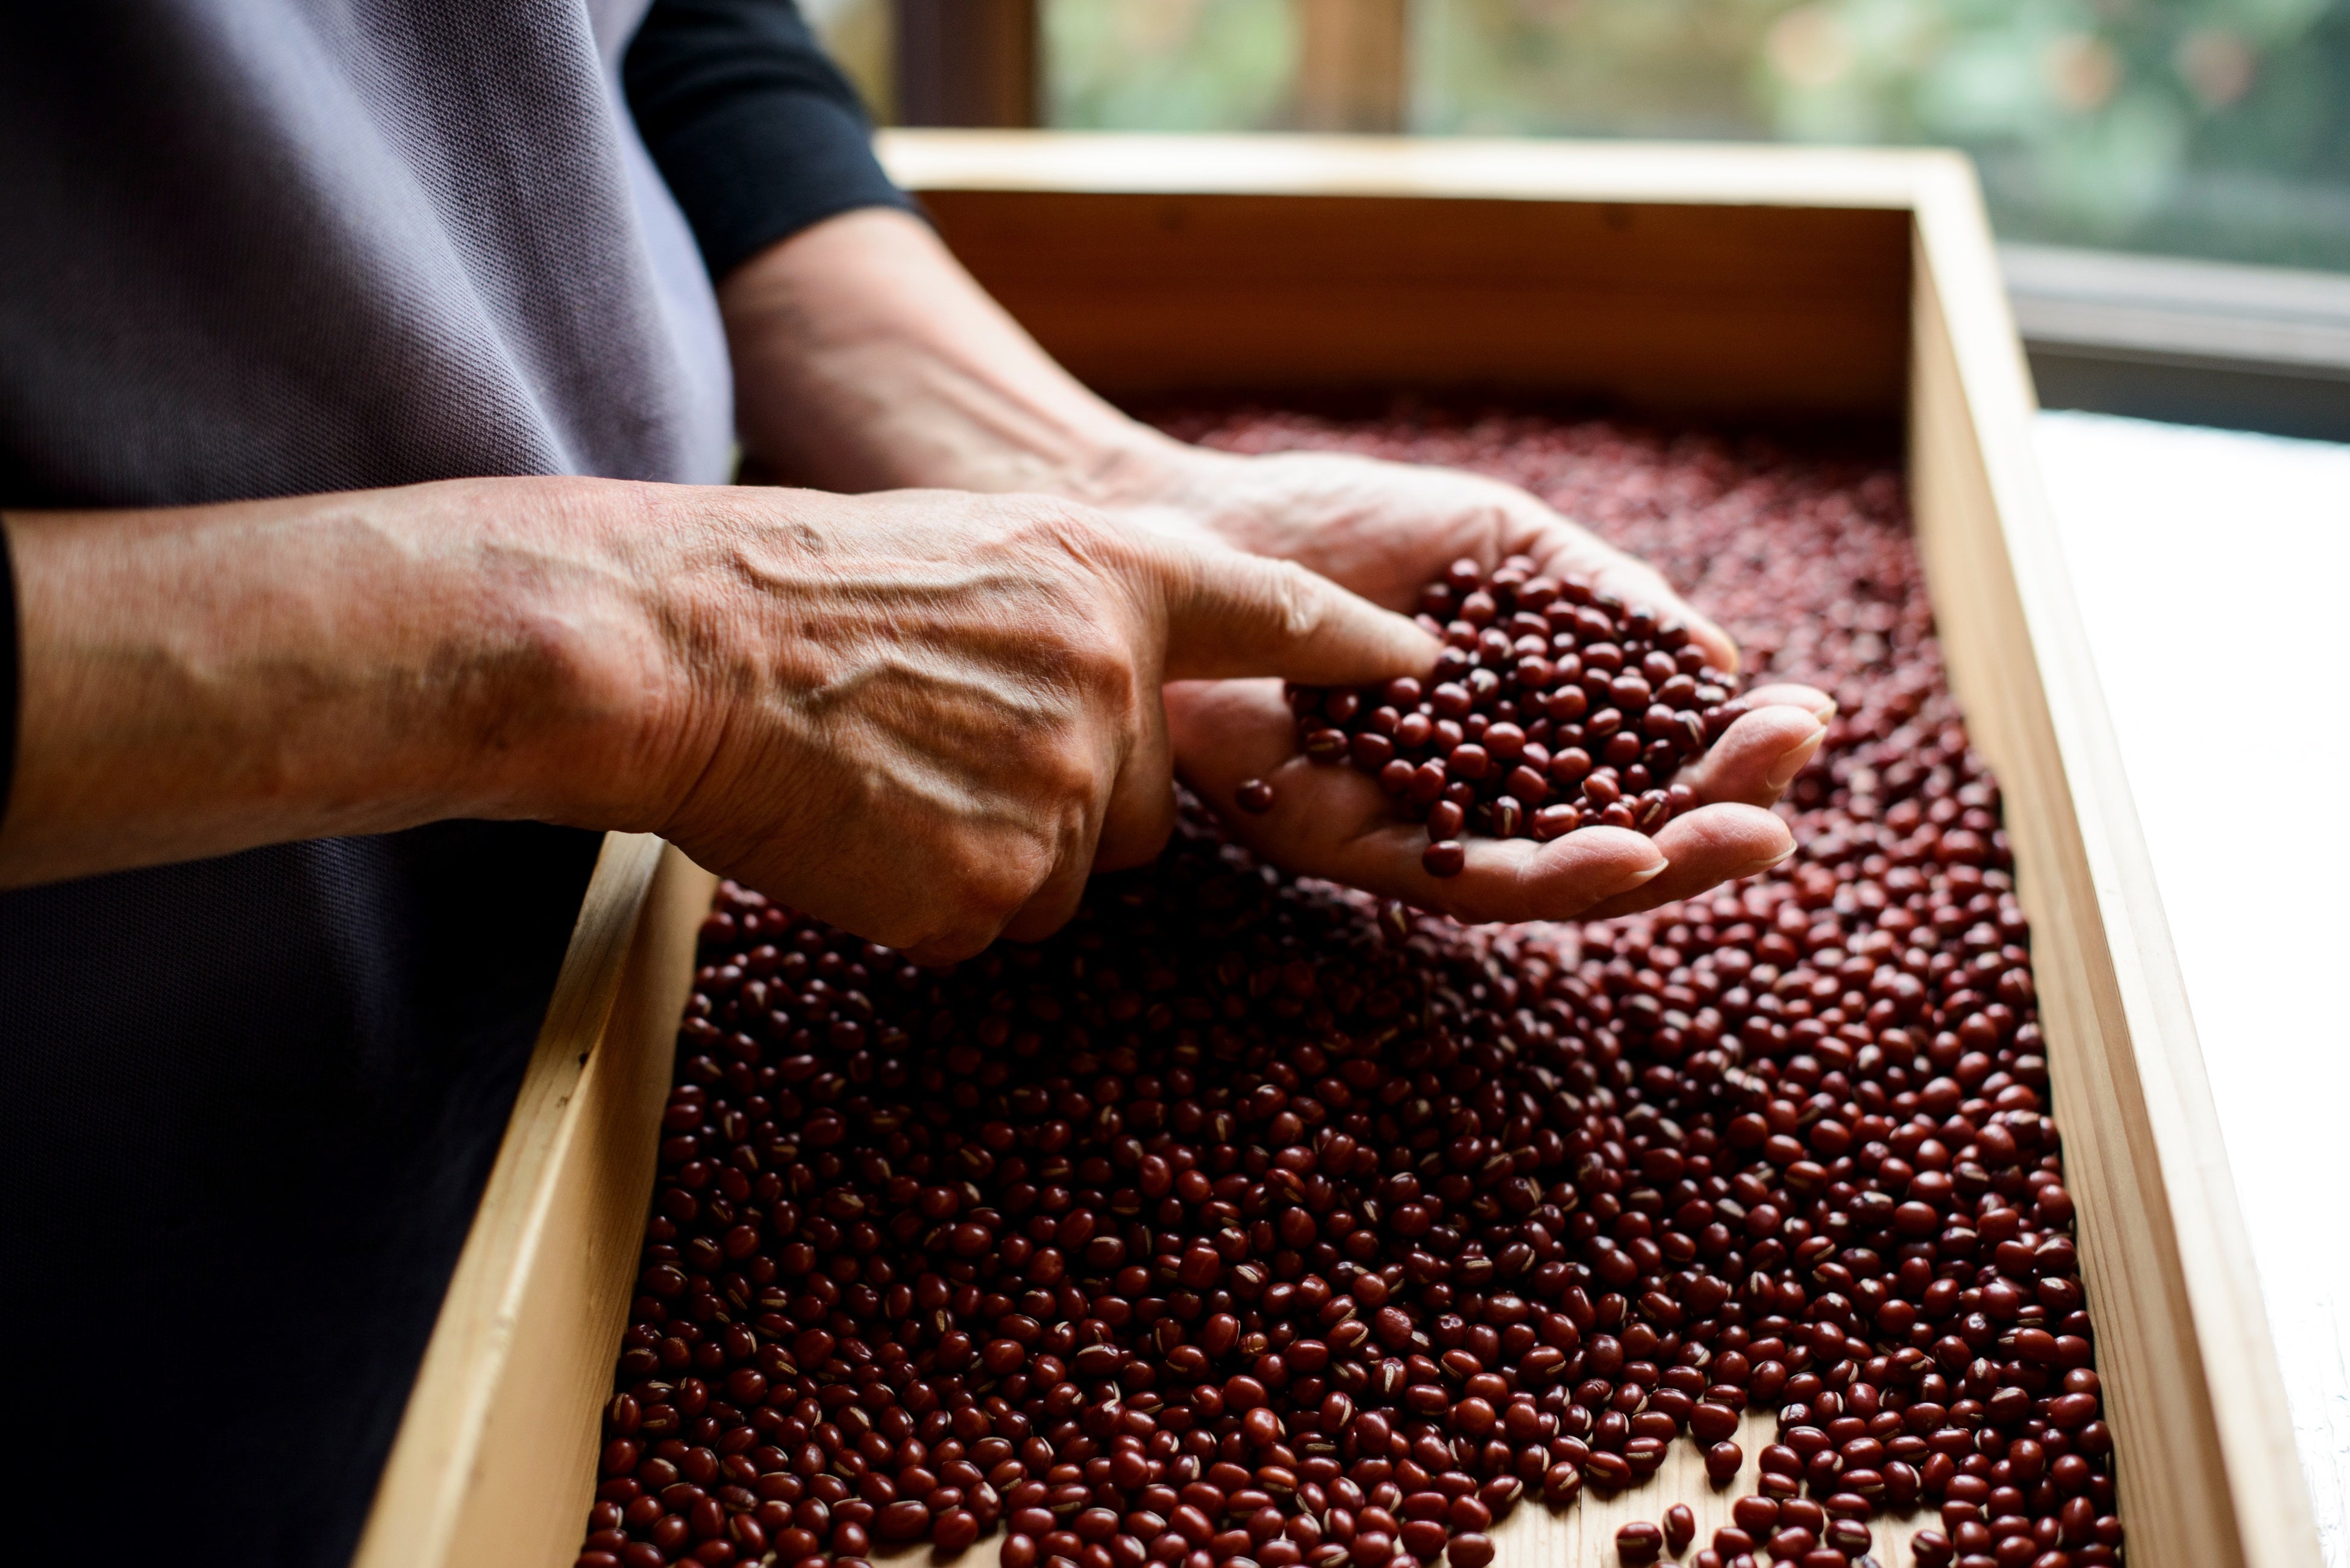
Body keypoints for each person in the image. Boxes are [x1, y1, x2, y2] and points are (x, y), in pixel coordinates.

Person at [0, 1, 1828, 1561]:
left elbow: (636, 31)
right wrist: (664, 649)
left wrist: (1076, 477)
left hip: (661, 956)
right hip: (116, 1189)